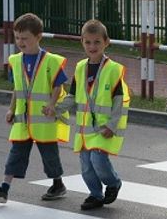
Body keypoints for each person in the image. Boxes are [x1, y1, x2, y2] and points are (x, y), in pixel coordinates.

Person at [0, 12, 70, 203]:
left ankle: (58, 184)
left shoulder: (51, 61)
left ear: (38, 36)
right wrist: (11, 109)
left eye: (25, 38)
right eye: (17, 38)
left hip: (44, 119)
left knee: (49, 156)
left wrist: (51, 104)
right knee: (16, 153)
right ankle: (4, 188)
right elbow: (17, 88)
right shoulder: (16, 61)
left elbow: (59, 85)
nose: (20, 42)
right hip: (23, 119)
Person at [54, 19, 130, 211]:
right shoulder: (80, 68)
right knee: (86, 167)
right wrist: (57, 108)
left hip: (104, 129)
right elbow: (73, 96)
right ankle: (95, 195)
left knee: (98, 161)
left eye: (97, 42)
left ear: (106, 42)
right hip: (85, 130)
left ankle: (113, 183)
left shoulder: (113, 70)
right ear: (82, 42)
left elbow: (119, 101)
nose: (92, 46)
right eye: (87, 42)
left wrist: (112, 126)